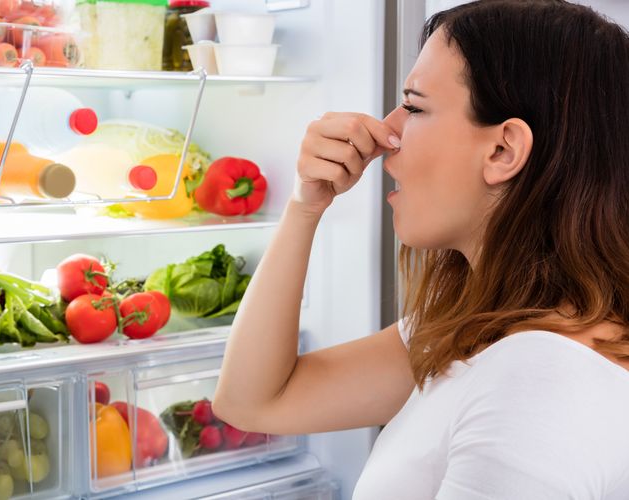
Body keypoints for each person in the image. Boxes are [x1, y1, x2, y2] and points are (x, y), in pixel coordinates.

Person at [212, 0, 629, 498]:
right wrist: (305, 206)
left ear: (503, 151)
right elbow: (255, 402)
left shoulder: (538, 381)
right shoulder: (483, 330)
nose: (387, 137)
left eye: (414, 106)